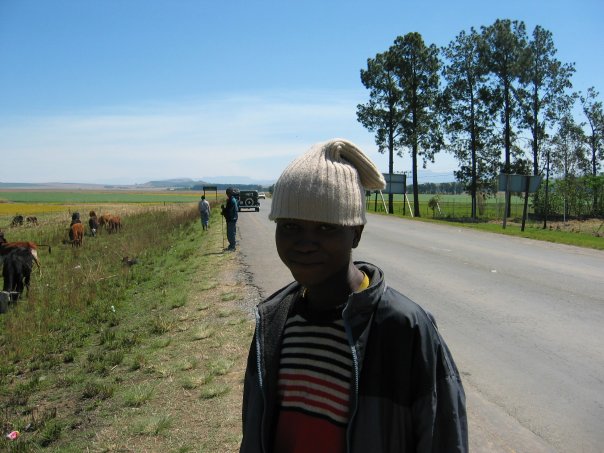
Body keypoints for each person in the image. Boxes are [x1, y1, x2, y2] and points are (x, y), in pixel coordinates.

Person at [240, 139, 468, 453]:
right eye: (290, 225)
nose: (305, 243)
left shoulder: (404, 329)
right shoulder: (274, 322)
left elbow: (444, 438)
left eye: (326, 228)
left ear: (356, 233)